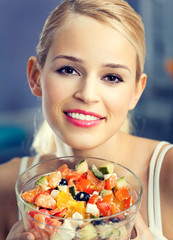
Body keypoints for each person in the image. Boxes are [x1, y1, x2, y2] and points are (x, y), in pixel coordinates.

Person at [1, 0, 172, 239]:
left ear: (136, 91)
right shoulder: (5, 185)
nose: (88, 95)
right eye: (69, 70)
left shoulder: (168, 173)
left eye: (112, 77)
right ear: (36, 77)